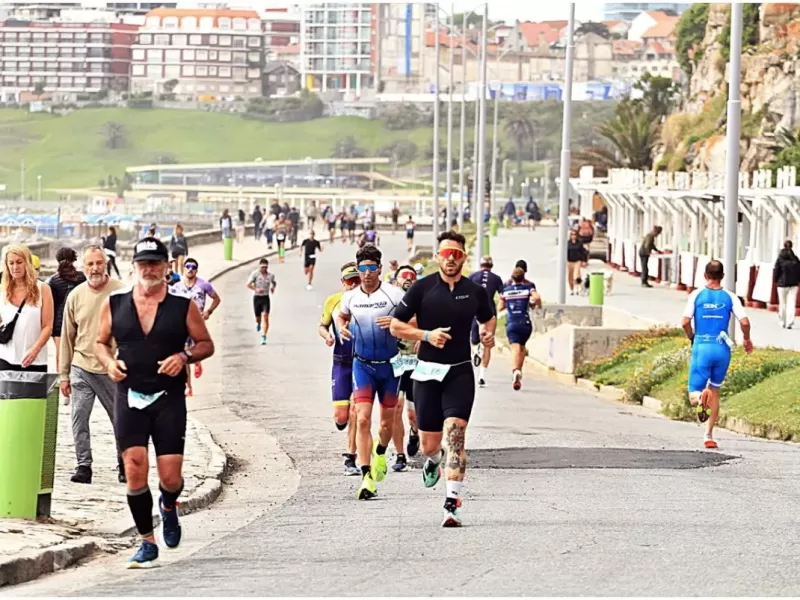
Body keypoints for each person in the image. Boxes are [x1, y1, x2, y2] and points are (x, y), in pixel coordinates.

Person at [95, 236, 214, 568]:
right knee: (134, 468)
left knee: (170, 477)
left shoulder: (182, 306)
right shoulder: (114, 304)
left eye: (155, 263)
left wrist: (184, 355)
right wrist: (108, 363)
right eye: (143, 263)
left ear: (166, 267)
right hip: (129, 395)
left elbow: (206, 344)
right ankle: (147, 541)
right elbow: (100, 343)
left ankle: (168, 505)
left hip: (168, 397)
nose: (149, 269)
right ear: (133, 267)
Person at [390, 231, 496, 527]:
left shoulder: (475, 291)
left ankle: (451, 504)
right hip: (426, 373)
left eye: (457, 255)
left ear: (464, 257)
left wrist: (488, 333)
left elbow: (488, 317)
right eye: (446, 254)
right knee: (429, 445)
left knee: (456, 436)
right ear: (438, 257)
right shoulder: (422, 289)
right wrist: (426, 335)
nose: (451, 260)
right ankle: (434, 461)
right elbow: (396, 326)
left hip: (460, 372)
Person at [336, 245, 406, 501]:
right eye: (362, 269)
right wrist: (342, 328)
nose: (366, 274)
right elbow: (342, 318)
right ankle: (366, 477)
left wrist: (398, 325)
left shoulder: (394, 295)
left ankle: (380, 452)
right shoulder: (350, 297)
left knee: (386, 424)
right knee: (363, 419)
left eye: (371, 268)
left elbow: (414, 323)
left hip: (389, 366)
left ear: (380, 268)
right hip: (362, 364)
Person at [60, 245, 125, 484]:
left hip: (112, 369)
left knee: (120, 419)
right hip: (81, 367)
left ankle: (124, 464)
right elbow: (67, 336)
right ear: (83, 267)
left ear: (105, 264)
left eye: (99, 263)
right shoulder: (75, 295)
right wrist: (64, 374)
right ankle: (83, 466)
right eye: (90, 264)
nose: (95, 268)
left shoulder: (121, 292)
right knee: (79, 417)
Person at [681, 260, 752, 450]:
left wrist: (692, 337)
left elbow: (685, 322)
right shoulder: (730, 297)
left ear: (705, 275)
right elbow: (744, 322)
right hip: (722, 348)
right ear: (722, 276)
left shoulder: (696, 295)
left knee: (694, 394)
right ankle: (708, 435)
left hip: (702, 345)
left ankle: (700, 398)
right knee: (716, 391)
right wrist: (747, 339)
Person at [318, 262, 361, 476]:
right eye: (349, 281)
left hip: (362, 363)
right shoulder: (333, 301)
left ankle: (350, 457)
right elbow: (322, 326)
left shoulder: (367, 301)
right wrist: (328, 336)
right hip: (341, 362)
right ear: (342, 282)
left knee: (356, 410)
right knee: (341, 416)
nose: (353, 284)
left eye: (357, 280)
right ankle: (342, 422)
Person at [171, 258, 220, 397]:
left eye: (193, 267)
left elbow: (217, 299)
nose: (190, 269)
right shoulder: (177, 287)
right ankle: (189, 386)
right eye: (188, 266)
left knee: (195, 348)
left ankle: (197, 361)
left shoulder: (204, 285)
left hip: (197, 323)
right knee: (185, 352)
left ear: (196, 270)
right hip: (181, 324)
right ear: (184, 269)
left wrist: (208, 312)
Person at [0, 244, 54, 372]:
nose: (15, 267)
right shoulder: (2, 289)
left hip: (35, 360)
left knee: (33, 393)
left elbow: (48, 326)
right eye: (11, 263)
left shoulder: (43, 289)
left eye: (19, 262)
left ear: (27, 263)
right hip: (5, 358)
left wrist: (35, 350)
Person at [389, 265, 420, 472]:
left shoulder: (423, 302)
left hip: (416, 362)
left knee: (413, 415)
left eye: (411, 280)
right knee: (395, 408)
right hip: (394, 361)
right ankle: (400, 454)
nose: (407, 282)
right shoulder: (389, 301)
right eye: (403, 279)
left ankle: (415, 432)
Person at [498, 267, 541, 390]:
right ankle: (519, 372)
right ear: (524, 278)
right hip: (525, 323)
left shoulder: (506, 291)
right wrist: (534, 304)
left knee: (515, 348)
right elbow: (537, 297)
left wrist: (508, 303)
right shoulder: (528, 288)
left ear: (512, 278)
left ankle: (515, 370)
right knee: (522, 347)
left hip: (512, 323)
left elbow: (500, 307)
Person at [47, 247, 87, 371]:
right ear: (74, 259)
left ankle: (61, 382)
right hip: (78, 321)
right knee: (78, 354)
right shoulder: (82, 278)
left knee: (60, 354)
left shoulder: (53, 280)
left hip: (59, 323)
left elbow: (51, 305)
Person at [468, 256, 504, 386]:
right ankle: (482, 374)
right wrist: (500, 309)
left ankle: (475, 352)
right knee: (488, 342)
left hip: (473, 310)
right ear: (491, 266)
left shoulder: (472, 276)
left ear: (480, 264)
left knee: (474, 339)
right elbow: (502, 296)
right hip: (489, 312)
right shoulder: (496, 278)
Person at [247, 258, 276, 345]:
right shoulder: (255, 274)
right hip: (257, 298)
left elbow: (274, 282)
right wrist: (256, 289)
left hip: (265, 298)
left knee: (266, 316)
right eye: (262, 267)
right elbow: (248, 284)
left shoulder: (270, 276)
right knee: (258, 318)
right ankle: (258, 323)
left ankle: (264, 336)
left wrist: (273, 288)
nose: (264, 269)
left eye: (265, 267)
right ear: (259, 267)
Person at [774, 240, 800, 329]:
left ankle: (782, 322)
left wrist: (776, 281)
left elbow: (776, 271)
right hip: (793, 284)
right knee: (791, 303)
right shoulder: (795, 259)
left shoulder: (780, 258)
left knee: (783, 303)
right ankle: (790, 322)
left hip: (781, 285)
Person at [567, 230, 588, 295]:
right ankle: (571, 289)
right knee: (569, 276)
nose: (573, 236)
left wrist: (584, 261)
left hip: (577, 261)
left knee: (575, 276)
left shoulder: (579, 243)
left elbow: (583, 252)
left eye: (575, 234)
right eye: (572, 234)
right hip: (569, 261)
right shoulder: (568, 243)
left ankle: (576, 288)